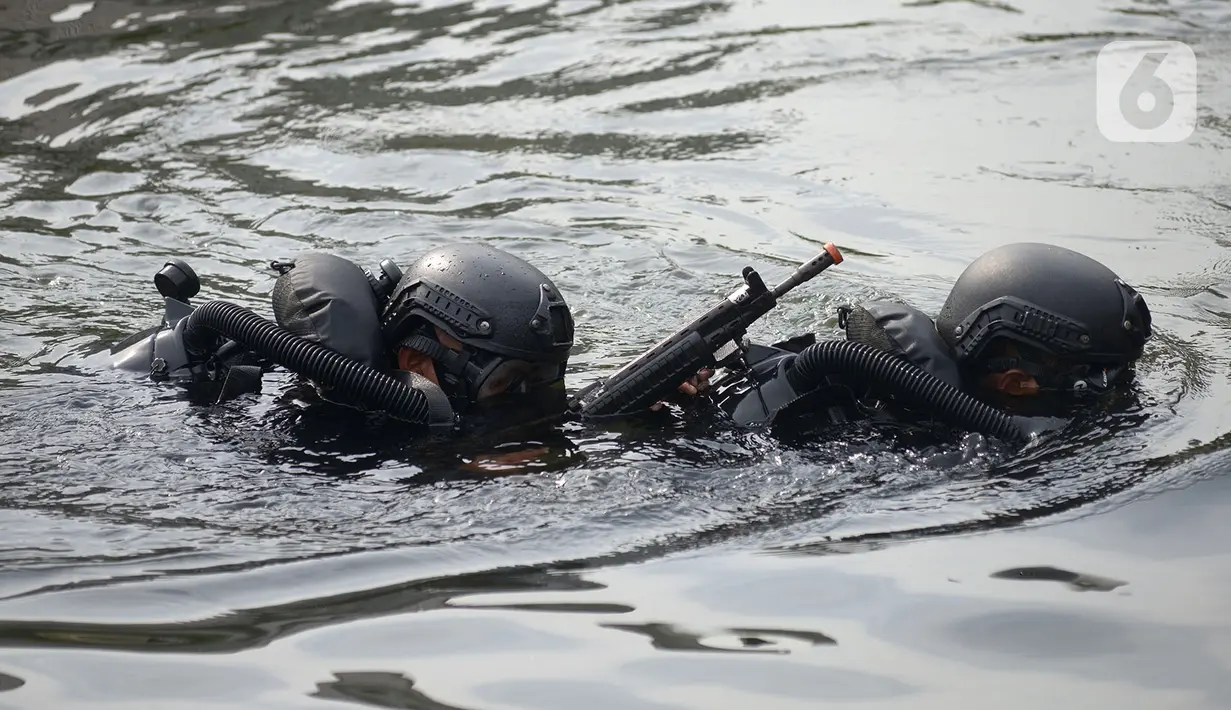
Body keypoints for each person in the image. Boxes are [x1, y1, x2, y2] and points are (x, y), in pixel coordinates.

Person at [657, 242, 1154, 441]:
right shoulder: (902, 439)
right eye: (1099, 374)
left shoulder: (875, 376)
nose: (1118, 383)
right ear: (1016, 383)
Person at [110, 243, 576, 436]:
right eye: (509, 385)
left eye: (546, 380)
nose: (537, 406)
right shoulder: (316, 440)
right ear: (418, 363)